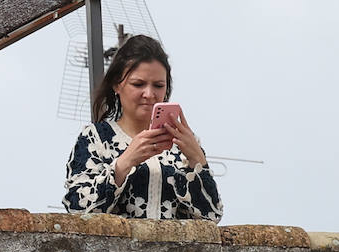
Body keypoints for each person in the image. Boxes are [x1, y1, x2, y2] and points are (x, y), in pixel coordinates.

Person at [64, 35, 223, 220]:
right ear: (116, 84)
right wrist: (124, 164)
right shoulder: (95, 138)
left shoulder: (183, 143)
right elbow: (77, 210)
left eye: (158, 85)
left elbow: (211, 217)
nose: (149, 94)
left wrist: (197, 160)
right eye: (138, 84)